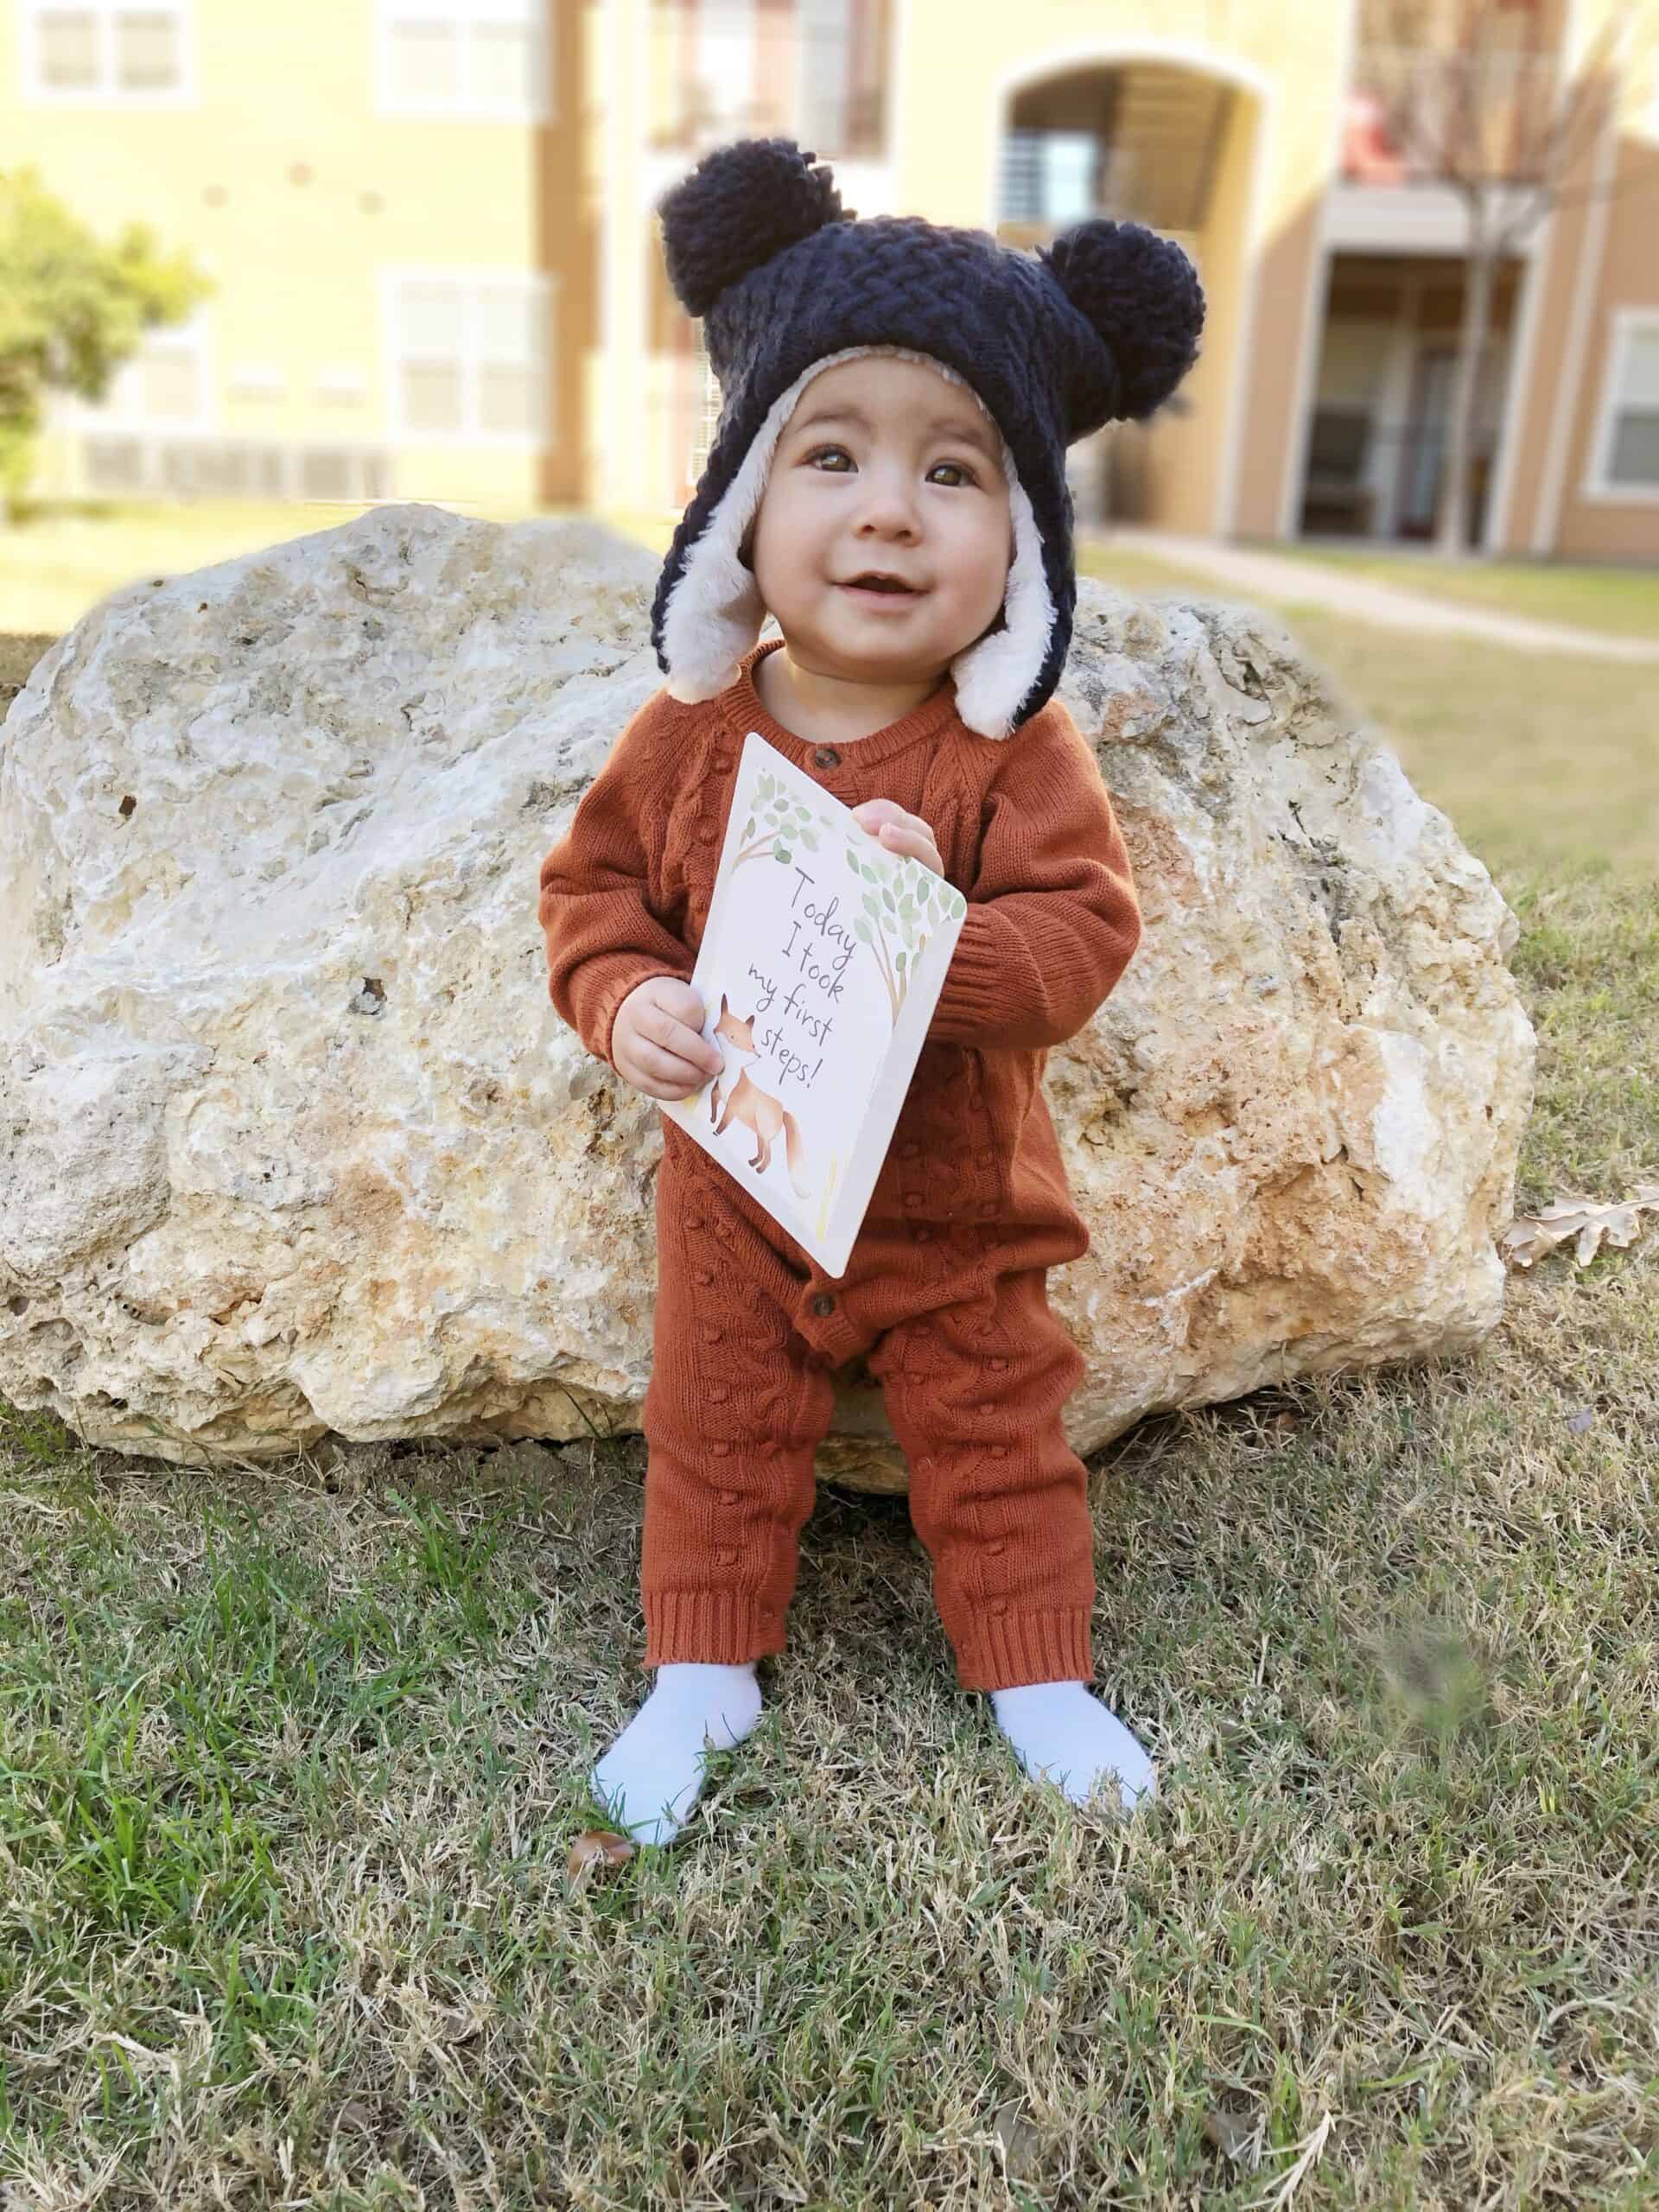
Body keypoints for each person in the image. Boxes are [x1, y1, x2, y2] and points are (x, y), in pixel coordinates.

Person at [538, 137, 1205, 1845]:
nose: (889, 509)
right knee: (712, 1425)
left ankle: (1036, 1672)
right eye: (829, 453)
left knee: (998, 1436)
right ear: (741, 507)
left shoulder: (1013, 755)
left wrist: (935, 942)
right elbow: (591, 899)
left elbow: (1080, 938)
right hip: (737, 1189)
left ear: (1027, 546)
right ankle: (703, 1669)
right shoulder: (690, 737)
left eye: (959, 472)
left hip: (954, 1210)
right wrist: (627, 1004)